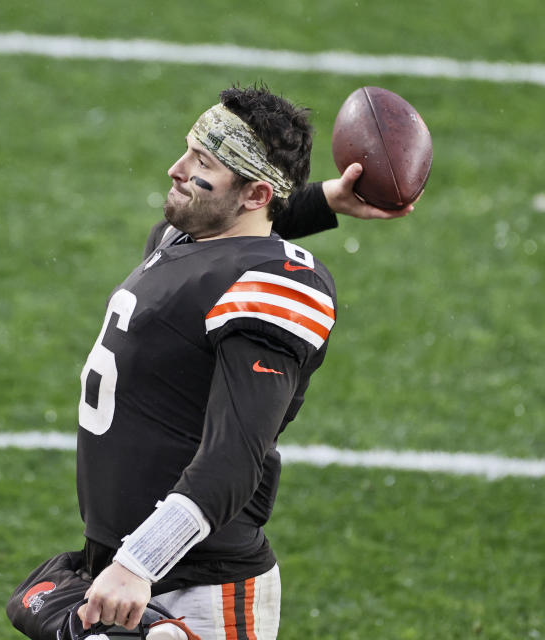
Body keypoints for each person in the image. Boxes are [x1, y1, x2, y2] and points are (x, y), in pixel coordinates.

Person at [71, 85, 411, 640]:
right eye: (188, 150)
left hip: (196, 589)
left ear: (254, 193)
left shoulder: (273, 286)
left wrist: (138, 563)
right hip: (126, 571)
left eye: (202, 163)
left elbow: (234, 459)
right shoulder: (184, 237)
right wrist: (324, 199)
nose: (176, 169)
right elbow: (239, 230)